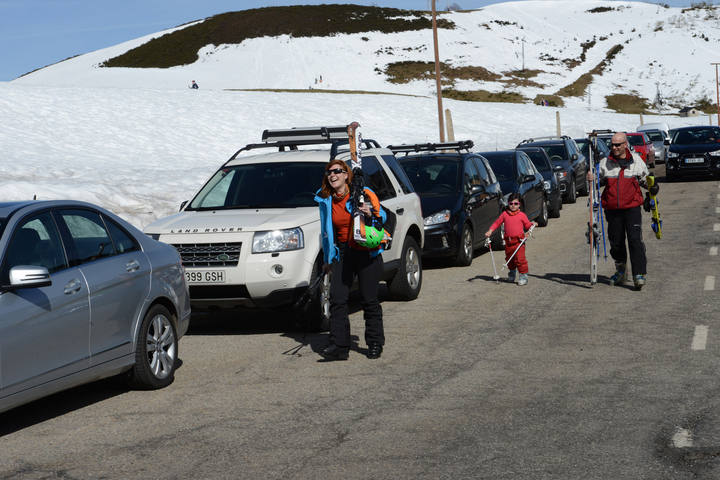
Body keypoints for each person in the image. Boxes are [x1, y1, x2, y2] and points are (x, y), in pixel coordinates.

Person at [314, 159, 388, 361]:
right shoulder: (326, 201)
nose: (333, 175)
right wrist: (328, 259)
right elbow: (327, 232)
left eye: (338, 171)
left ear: (347, 175)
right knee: (337, 299)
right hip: (343, 253)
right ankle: (339, 345)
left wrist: (370, 212)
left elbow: (383, 216)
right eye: (329, 172)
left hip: (365, 250)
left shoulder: (362, 194)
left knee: (369, 299)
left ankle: (374, 343)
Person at [587, 131, 658, 290]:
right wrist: (591, 178)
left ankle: (639, 274)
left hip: (632, 208)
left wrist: (652, 187)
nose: (614, 147)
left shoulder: (636, 161)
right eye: (612, 144)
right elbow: (596, 183)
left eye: (618, 144)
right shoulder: (605, 162)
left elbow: (646, 180)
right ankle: (621, 270)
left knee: (634, 240)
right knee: (616, 242)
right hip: (612, 209)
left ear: (625, 144)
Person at [485, 193, 537, 286]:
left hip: (519, 242)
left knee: (520, 260)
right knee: (510, 260)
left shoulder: (522, 215)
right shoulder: (505, 214)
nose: (513, 206)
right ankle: (512, 274)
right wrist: (490, 231)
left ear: (519, 204)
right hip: (508, 242)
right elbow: (497, 223)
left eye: (515, 204)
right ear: (508, 204)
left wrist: (532, 224)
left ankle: (523, 277)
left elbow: (527, 225)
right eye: (511, 203)